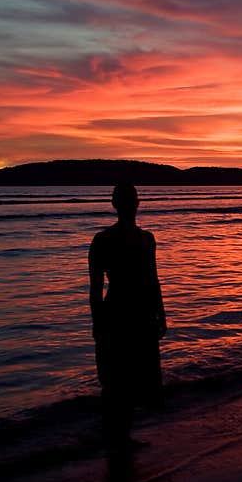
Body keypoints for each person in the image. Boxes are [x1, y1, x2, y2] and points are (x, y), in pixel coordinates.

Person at [89, 183, 167, 451]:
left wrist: (161, 313)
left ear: (136, 203)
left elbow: (154, 279)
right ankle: (115, 438)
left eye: (131, 199)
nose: (128, 204)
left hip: (141, 313)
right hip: (118, 313)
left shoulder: (147, 239)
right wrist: (97, 322)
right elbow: (95, 286)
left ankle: (122, 437)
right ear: (116, 204)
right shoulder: (103, 240)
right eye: (124, 200)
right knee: (114, 380)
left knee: (132, 378)